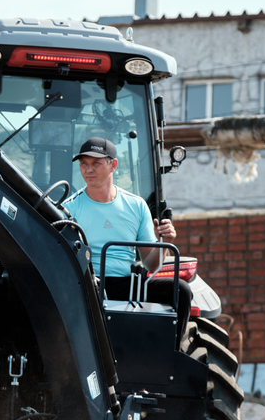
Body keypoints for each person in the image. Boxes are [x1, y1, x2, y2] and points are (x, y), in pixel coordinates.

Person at [64, 137, 191, 344]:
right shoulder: (69, 209)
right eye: (84, 164)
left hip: (126, 286)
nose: (88, 169)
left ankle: (171, 357)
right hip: (87, 283)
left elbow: (151, 263)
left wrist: (165, 242)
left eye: (95, 163)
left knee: (181, 290)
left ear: (113, 164)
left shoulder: (137, 206)